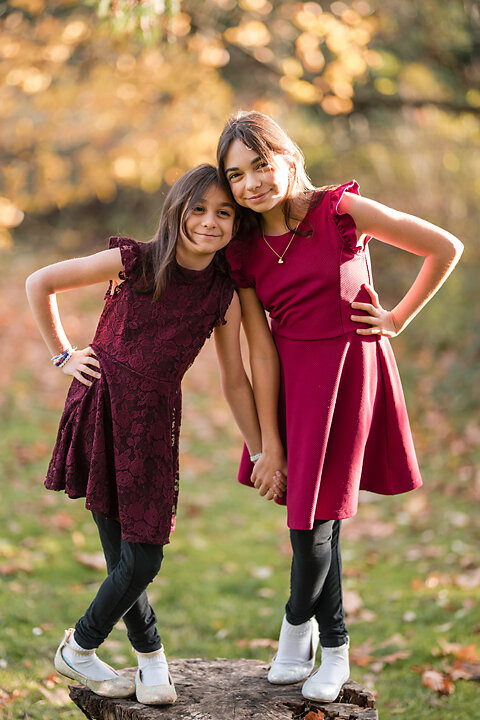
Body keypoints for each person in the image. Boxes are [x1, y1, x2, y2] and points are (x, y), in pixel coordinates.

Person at [216, 111, 464, 703]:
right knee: (311, 516)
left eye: (260, 164)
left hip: (350, 374)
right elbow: (261, 350)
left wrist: (397, 318)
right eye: (235, 175)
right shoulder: (245, 250)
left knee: (315, 521)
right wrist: (266, 442)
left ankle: (306, 633)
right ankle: (326, 644)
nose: (251, 182)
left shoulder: (341, 211)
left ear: (288, 156)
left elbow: (443, 246)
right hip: (294, 384)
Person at [25, 164, 285, 706]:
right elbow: (40, 281)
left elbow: (235, 379)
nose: (210, 222)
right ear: (178, 210)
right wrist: (63, 353)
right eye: (199, 210)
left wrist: (261, 447)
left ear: (237, 224)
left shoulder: (223, 292)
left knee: (138, 555)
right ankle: (91, 649)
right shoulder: (136, 261)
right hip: (101, 408)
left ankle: (147, 662)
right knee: (128, 554)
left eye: (224, 213)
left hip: (153, 421)